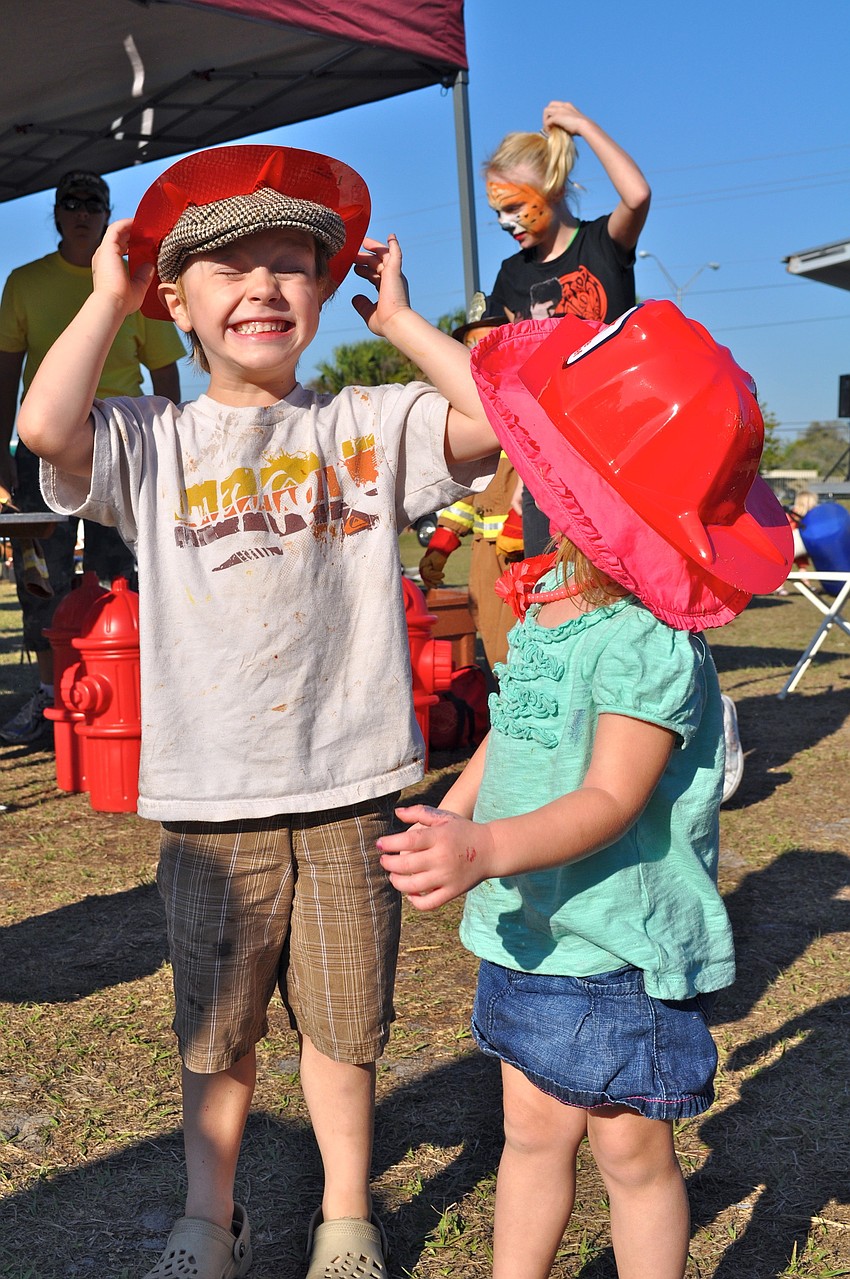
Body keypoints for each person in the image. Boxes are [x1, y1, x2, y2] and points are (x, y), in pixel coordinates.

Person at [17, 143, 498, 1279]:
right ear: (173, 300)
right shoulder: (152, 437)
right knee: (216, 1035)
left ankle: (345, 1220)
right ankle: (207, 1217)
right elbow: (44, 429)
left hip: (350, 786)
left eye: (292, 265)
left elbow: (491, 421)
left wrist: (406, 320)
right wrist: (103, 295)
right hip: (212, 798)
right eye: (228, 270)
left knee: (344, 1032)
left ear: (326, 294)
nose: (264, 288)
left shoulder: (366, 423)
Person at [378, 302, 793, 1279]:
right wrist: (455, 808)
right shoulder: (548, 608)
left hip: (613, 950)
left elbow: (610, 797)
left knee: (630, 1154)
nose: (536, 477)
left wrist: (482, 850)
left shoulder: (648, 642)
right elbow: (513, 733)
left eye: (557, 463)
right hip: (531, 931)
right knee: (529, 1134)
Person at [0, 170, 183, 745]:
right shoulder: (25, 282)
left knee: (119, 575)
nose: (82, 213)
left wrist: (169, 446)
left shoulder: (133, 283)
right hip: (44, 446)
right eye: (71, 203)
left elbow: (166, 373)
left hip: (121, 444)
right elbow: (7, 374)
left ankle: (124, 690)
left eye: (93, 204)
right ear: (56, 214)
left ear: (107, 215)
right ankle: (52, 697)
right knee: (44, 579)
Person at [484, 100, 651, 557]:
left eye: (514, 206)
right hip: (549, 466)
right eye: (497, 210)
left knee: (623, 588)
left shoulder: (602, 243)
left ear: (552, 191)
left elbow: (637, 195)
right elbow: (509, 383)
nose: (504, 222)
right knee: (555, 590)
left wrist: (582, 126)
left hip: (621, 450)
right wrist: (523, 471)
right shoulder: (510, 275)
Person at [418, 294, 522, 672]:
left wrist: (523, 523)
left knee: (522, 642)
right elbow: (469, 492)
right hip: (485, 553)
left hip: (524, 553)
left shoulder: (528, 405)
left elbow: (547, 479)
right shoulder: (478, 418)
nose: (478, 352)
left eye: (487, 341)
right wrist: (442, 543)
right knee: (491, 635)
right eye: (470, 345)